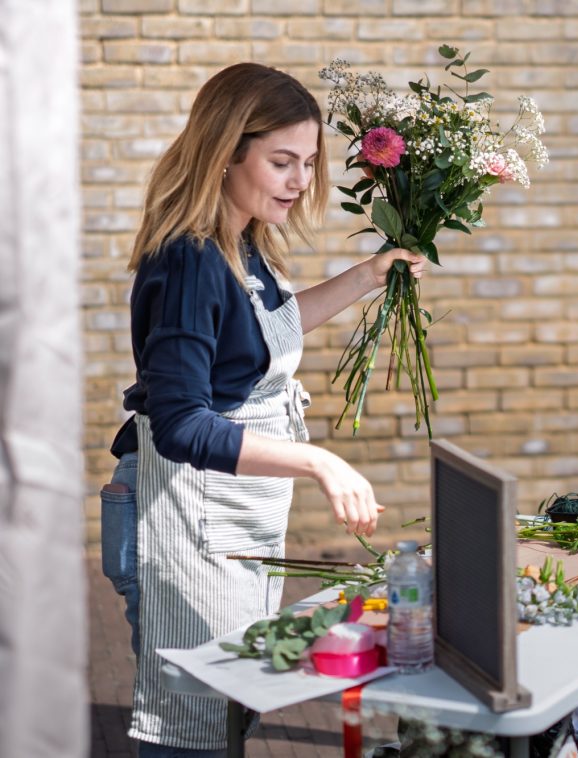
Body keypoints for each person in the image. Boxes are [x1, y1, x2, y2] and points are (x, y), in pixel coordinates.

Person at [100, 62, 426, 757]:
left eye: (308, 163)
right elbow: (184, 423)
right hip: (178, 514)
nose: (301, 181)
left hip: (223, 515)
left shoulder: (241, 241)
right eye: (282, 161)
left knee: (227, 708)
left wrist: (368, 276)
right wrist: (317, 461)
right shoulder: (191, 263)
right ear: (226, 153)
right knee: (193, 725)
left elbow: (258, 338)